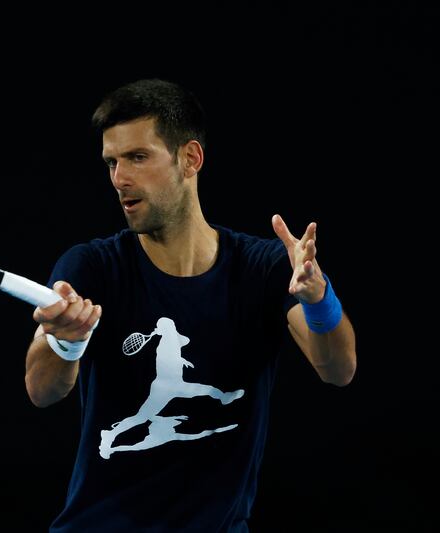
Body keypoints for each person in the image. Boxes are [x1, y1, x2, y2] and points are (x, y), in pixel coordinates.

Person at [24, 79, 357, 532]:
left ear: (190, 159)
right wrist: (67, 344)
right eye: (111, 162)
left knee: (183, 402)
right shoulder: (91, 267)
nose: (119, 178)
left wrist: (319, 299)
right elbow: (42, 390)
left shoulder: (264, 268)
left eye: (138, 158)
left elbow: (338, 369)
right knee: (159, 411)